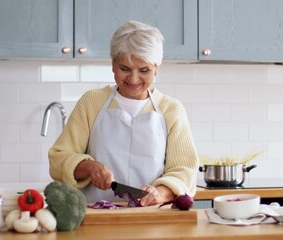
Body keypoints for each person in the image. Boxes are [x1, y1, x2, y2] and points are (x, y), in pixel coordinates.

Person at [48, 20, 199, 206]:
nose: (133, 79)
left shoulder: (171, 110)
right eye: (124, 69)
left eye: (144, 70)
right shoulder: (92, 102)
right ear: (112, 65)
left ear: (156, 68)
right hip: (96, 221)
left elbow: (185, 171)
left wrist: (160, 192)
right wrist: (89, 167)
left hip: (152, 222)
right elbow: (58, 159)